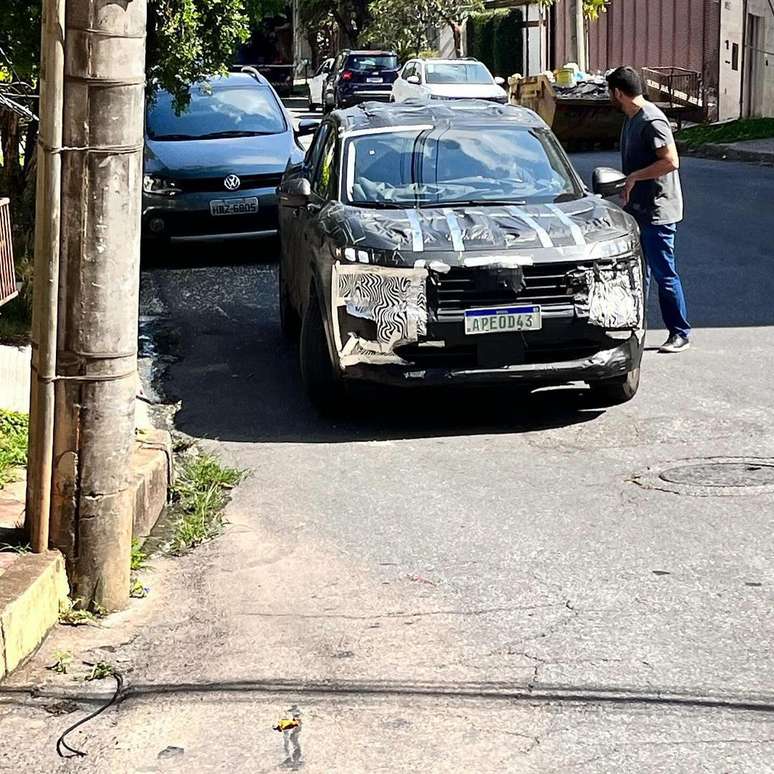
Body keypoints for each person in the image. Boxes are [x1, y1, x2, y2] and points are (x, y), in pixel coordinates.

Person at [606, 66, 691, 353]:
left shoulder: (652, 120)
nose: (609, 98)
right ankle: (635, 329)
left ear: (618, 92)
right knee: (636, 274)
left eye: (610, 92)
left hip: (658, 211)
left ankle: (680, 332)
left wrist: (634, 177)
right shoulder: (631, 119)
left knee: (664, 273)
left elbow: (670, 161)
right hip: (638, 208)